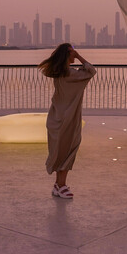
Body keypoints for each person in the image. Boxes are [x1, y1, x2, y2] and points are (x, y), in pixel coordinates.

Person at [38, 43, 96, 199]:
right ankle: (61, 185)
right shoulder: (70, 74)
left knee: (62, 151)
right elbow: (91, 70)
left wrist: (74, 55)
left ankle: (59, 185)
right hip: (67, 118)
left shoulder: (59, 73)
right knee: (68, 150)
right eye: (72, 52)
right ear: (68, 55)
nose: (75, 54)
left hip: (57, 117)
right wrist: (79, 57)